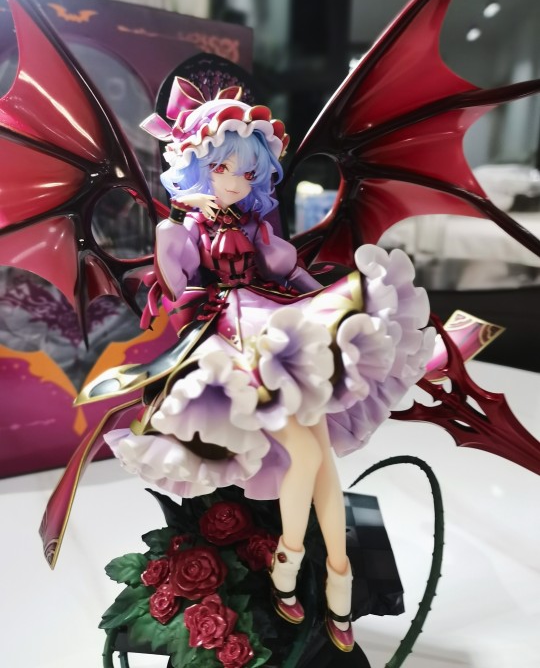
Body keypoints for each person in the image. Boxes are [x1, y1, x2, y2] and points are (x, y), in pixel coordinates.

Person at [83, 78, 434, 652]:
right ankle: (295, 566)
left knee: (319, 457)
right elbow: (174, 287)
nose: (237, 181)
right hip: (232, 337)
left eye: (249, 171)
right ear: (196, 167)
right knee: (307, 454)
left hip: (283, 324)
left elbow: (290, 275)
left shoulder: (257, 227)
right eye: (223, 168)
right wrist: (174, 223)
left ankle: (326, 573)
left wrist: (339, 302)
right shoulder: (186, 229)